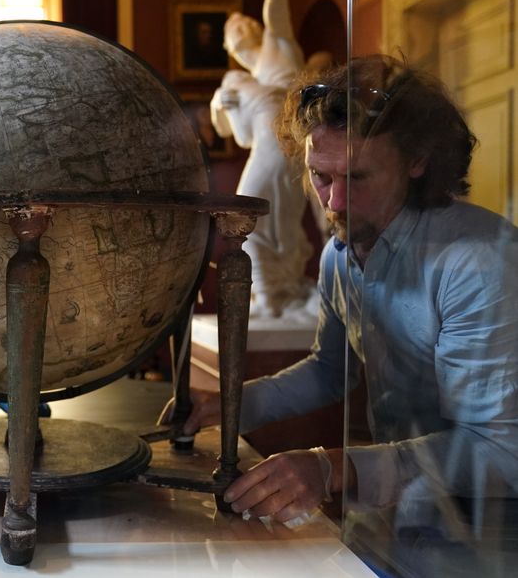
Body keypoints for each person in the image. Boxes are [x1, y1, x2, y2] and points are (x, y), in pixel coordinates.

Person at [172, 55, 517, 576]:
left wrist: (332, 466)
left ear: (418, 160)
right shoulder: (341, 252)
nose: (334, 201)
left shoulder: (477, 261)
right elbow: (330, 369)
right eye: (319, 175)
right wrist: (234, 404)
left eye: (355, 176)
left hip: (491, 539)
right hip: (405, 520)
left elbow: (500, 449)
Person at [210, 69, 314, 317]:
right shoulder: (270, 90)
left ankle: (267, 298)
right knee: (283, 225)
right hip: (297, 158)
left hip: (270, 156)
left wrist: (221, 107)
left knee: (245, 221)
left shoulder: (233, 93)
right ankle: (284, 290)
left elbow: (243, 137)